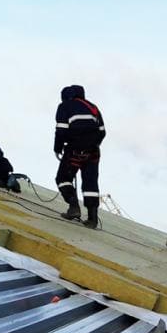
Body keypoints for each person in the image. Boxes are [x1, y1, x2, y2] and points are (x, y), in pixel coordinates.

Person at [53, 85, 105, 228]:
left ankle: (73, 207)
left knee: (63, 178)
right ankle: (92, 219)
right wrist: (93, 144)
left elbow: (61, 130)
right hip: (93, 151)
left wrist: (57, 148)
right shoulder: (93, 107)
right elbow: (102, 131)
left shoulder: (65, 106)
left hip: (75, 148)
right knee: (90, 183)